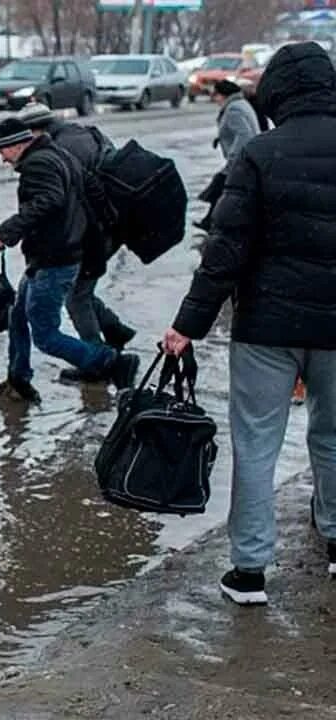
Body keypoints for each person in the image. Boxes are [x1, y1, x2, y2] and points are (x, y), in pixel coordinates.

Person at [162, 42, 336, 607]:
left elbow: (225, 251)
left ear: (279, 92)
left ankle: (250, 573)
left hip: (266, 329)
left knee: (257, 446)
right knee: (333, 438)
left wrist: (188, 324)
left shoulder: (259, 154)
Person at [0, 119, 140, 404]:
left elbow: (48, 201)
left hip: (54, 259)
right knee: (17, 315)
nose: (3, 160)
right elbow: (92, 190)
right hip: (53, 254)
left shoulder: (37, 165)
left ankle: (113, 362)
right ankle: (18, 380)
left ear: (18, 145)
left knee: (45, 334)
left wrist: (7, 231)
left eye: (3, 151)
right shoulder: (60, 154)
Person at [17, 103, 135, 377]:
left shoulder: (63, 149)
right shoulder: (78, 133)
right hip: (109, 224)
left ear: (36, 130)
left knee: (76, 296)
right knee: (80, 288)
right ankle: (115, 330)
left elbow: (75, 198)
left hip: (95, 231)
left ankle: (96, 362)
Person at [194, 80, 261, 232]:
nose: (214, 99)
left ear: (223, 95)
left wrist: (233, 157)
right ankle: (210, 220)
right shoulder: (240, 103)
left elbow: (244, 134)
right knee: (224, 189)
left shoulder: (233, 109)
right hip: (244, 158)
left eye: (215, 95)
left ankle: (214, 222)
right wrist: (220, 139)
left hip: (240, 159)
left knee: (220, 186)